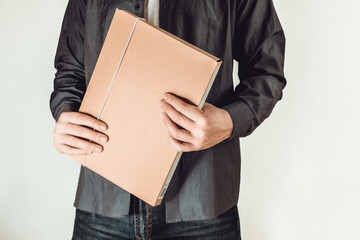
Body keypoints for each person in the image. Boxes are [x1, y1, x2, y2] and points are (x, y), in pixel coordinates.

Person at [50, 0, 286, 239]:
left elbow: (267, 69)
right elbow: (70, 70)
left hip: (203, 204)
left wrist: (229, 121)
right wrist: (65, 113)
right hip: (103, 203)